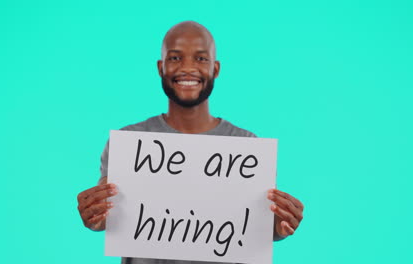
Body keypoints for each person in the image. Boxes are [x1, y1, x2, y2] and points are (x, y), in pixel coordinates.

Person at [77, 21, 304, 264]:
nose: (187, 68)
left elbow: (254, 227)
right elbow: (109, 212)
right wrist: (97, 216)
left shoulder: (246, 146)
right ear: (160, 67)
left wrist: (279, 227)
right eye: (175, 58)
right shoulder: (129, 144)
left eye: (201, 59)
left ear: (215, 69)